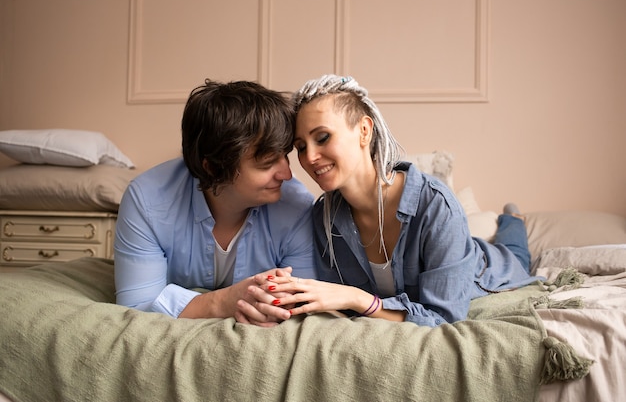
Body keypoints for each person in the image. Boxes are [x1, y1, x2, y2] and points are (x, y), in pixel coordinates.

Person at [250, 74, 542, 327]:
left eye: (323, 137)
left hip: (489, 269)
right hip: (455, 250)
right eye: (301, 147)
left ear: (364, 130)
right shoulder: (323, 218)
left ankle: (513, 221)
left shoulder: (434, 204)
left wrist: (357, 297)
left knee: (514, 253)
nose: (310, 157)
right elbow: (340, 306)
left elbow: (443, 318)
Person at [114, 78, 316, 327]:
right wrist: (224, 302)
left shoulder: (296, 206)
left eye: (284, 156)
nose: (286, 174)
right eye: (266, 163)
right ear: (213, 168)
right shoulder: (147, 200)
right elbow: (137, 306)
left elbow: (302, 301)